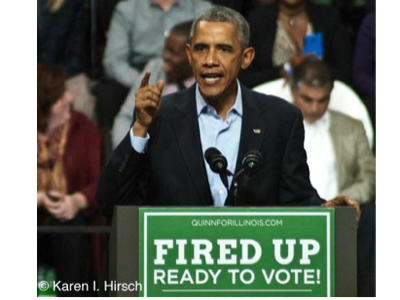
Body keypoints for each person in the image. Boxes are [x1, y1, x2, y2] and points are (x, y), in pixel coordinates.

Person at [97, 7, 360, 220]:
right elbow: (111, 204)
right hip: (179, 274)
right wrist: (140, 130)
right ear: (190, 55)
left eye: (223, 49)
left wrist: (326, 211)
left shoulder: (280, 118)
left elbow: (297, 201)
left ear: (246, 58)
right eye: (201, 49)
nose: (210, 59)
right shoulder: (158, 116)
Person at [94, 0, 213, 133]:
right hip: (141, 74)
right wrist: (144, 82)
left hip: (192, 73)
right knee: (109, 94)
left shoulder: (204, 9)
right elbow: (113, 61)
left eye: (170, 52)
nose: (165, 55)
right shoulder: (127, 9)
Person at [37, 64, 101, 298]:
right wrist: (40, 198)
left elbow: (101, 182)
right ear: (43, 107)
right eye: (60, 95)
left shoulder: (83, 128)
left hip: (69, 221)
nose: (70, 98)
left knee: (69, 227)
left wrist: (77, 200)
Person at [290, 60, 376, 204]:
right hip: (288, 216)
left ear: (331, 94)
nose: (314, 108)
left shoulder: (352, 128)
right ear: (293, 91)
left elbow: (370, 177)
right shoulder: (274, 124)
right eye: (307, 99)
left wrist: (339, 201)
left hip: (340, 214)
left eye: (322, 100)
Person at [112, 21, 195, 149]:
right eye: (165, 49)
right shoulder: (155, 69)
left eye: (173, 53)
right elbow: (126, 117)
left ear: (191, 55)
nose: (165, 56)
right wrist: (128, 154)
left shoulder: (206, 85)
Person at [240, 0, 353, 88]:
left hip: (322, 100)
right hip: (271, 102)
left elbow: (345, 72)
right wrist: (284, 69)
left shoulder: (328, 17)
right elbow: (245, 78)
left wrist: (318, 70)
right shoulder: (258, 19)